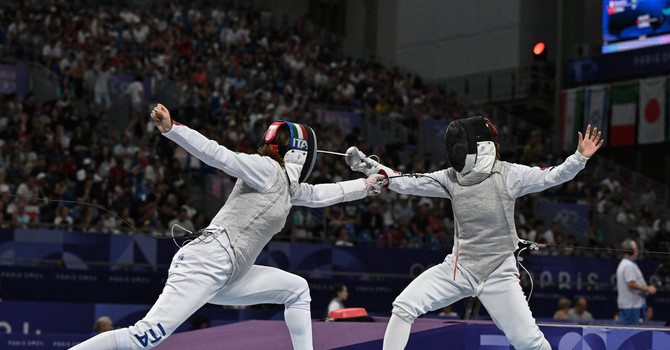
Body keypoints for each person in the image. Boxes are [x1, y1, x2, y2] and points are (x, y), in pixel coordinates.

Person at [70, 104, 387, 350]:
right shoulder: (265, 169)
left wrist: (369, 183)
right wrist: (173, 129)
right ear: (301, 152)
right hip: (207, 262)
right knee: (144, 338)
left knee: (297, 290)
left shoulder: (290, 189)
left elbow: (324, 194)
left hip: (232, 273)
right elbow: (217, 154)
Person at [347, 117, 603, 350]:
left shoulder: (509, 174)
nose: (456, 153)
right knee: (403, 306)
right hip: (459, 268)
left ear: (481, 148)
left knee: (529, 342)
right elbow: (407, 180)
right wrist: (370, 168)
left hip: (498, 273)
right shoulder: (450, 177)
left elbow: (552, 176)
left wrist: (579, 158)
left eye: (461, 146)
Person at [616, 239, 657, 325]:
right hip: (631, 306)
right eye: (635, 248)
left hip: (629, 305)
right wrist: (647, 288)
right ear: (630, 250)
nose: (637, 250)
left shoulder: (626, 264)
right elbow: (630, 283)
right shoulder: (628, 265)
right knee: (630, 334)